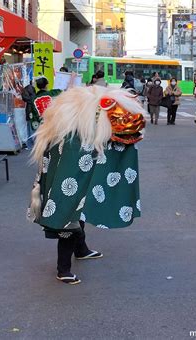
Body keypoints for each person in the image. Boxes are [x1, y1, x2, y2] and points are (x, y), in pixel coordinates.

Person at [28, 86, 144, 284]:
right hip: (68, 183)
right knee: (69, 214)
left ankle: (81, 249)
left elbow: (120, 140)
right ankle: (62, 268)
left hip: (84, 176)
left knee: (81, 209)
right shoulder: (71, 138)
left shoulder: (90, 131)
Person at [21, 80, 36, 149]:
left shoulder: (28, 89)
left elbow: (25, 97)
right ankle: (31, 145)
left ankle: (31, 145)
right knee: (31, 129)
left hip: (30, 112)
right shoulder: (33, 94)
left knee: (30, 129)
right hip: (32, 113)